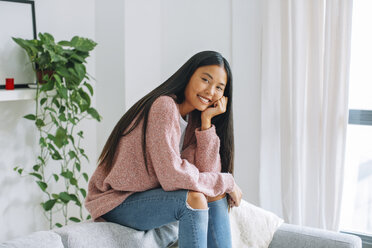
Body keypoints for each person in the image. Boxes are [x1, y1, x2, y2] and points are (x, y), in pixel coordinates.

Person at [85, 51, 243, 248]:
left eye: (219, 88)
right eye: (205, 80)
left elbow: (208, 178)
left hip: (152, 197)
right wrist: (227, 181)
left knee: (216, 194)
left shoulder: (194, 120)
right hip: (118, 201)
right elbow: (171, 176)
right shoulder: (164, 106)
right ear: (189, 75)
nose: (211, 92)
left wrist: (206, 124)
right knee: (193, 200)